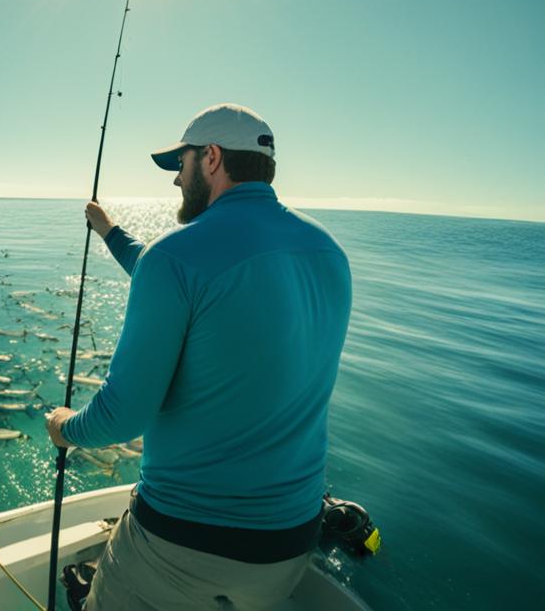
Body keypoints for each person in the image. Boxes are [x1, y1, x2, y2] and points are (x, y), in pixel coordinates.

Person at [45, 103, 352, 610]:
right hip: (289, 545)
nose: (175, 182)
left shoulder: (178, 256)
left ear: (211, 158)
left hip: (183, 545)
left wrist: (65, 427)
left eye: (180, 165)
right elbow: (194, 278)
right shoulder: (327, 252)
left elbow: (123, 416)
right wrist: (109, 230)